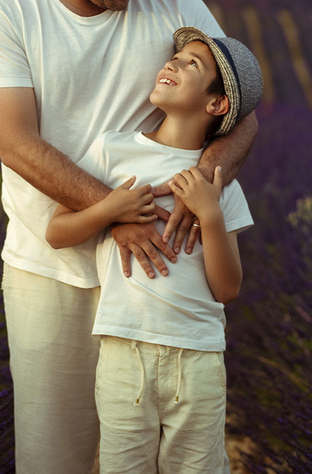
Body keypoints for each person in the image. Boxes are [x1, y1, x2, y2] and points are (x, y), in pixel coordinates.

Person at [0, 0, 259, 474]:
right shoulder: (5, 13)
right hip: (54, 271)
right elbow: (17, 146)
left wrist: (197, 193)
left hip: (160, 279)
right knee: (53, 457)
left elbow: (238, 112)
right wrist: (114, 217)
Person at [46, 27, 263, 474]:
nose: (173, 64)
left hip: (197, 356)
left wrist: (211, 215)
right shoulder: (114, 149)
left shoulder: (220, 184)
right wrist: (109, 209)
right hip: (125, 351)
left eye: (191, 65)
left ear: (216, 105)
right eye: (176, 57)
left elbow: (228, 289)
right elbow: (57, 231)